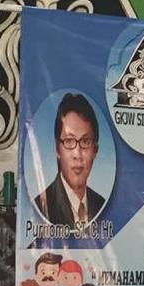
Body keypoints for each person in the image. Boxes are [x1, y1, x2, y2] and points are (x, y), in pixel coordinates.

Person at [35, 93, 105, 226]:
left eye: (85, 141)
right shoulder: (40, 207)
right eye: (69, 141)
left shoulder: (102, 205)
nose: (77, 154)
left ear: (95, 150)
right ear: (57, 149)